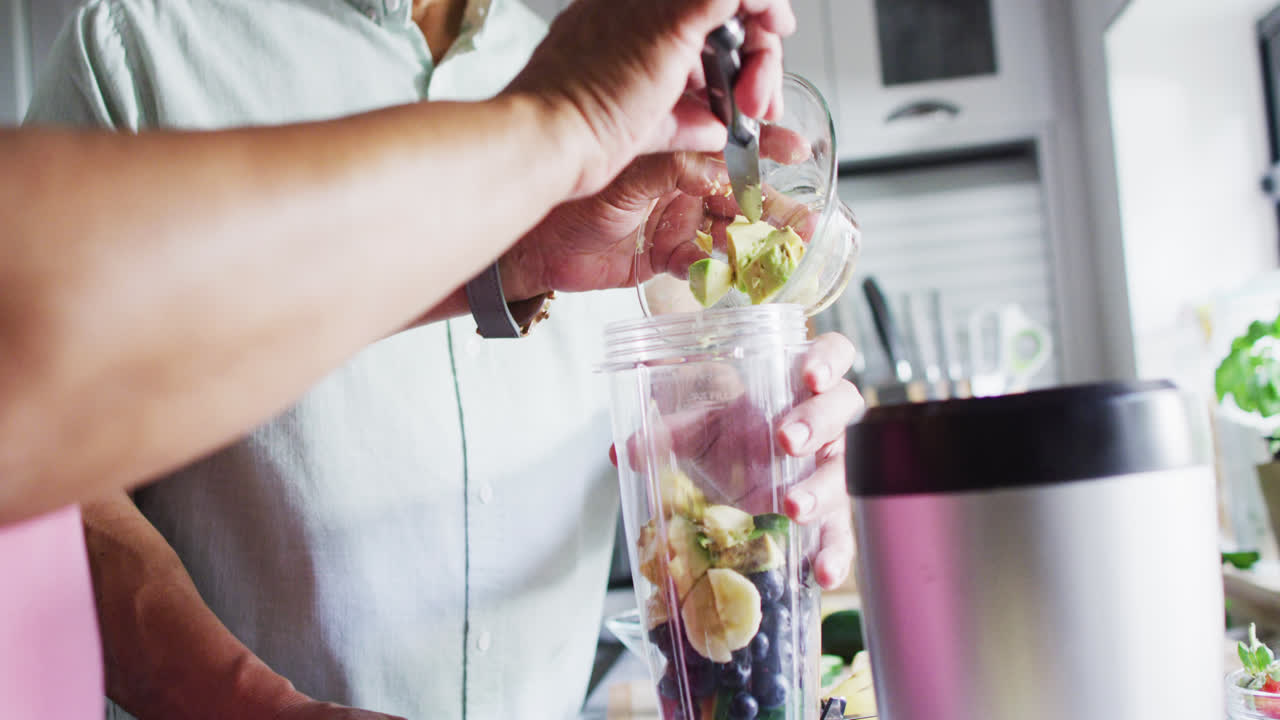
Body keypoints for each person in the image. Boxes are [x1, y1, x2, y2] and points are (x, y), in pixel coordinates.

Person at [18, 1, 861, 719]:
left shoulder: (622, 86)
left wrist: (750, 458)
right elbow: (36, 435)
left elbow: (687, 408)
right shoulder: (136, 49)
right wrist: (245, 701)